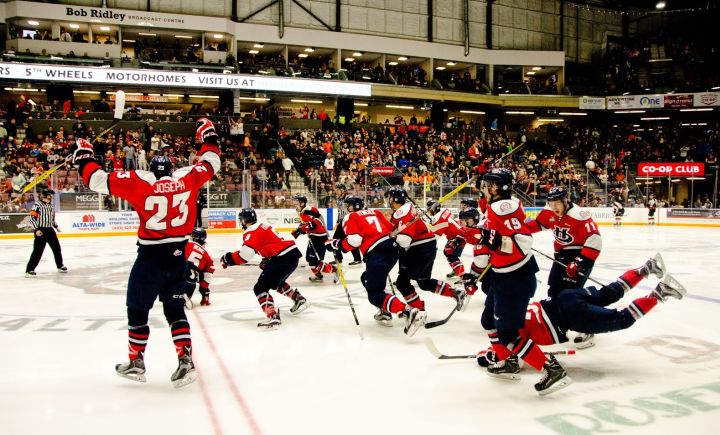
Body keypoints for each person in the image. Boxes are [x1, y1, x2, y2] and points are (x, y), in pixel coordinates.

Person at [72, 117, 222, 388]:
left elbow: (96, 180)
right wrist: (208, 136)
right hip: (179, 257)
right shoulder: (187, 179)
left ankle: (136, 361)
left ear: (151, 169)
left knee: (137, 310)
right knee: (176, 311)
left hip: (150, 260)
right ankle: (185, 361)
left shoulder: (139, 182)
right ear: (173, 168)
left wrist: (84, 155)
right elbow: (212, 162)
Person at [476, 254, 685, 395]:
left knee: (621, 319)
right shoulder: (501, 309)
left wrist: (490, 358)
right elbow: (505, 351)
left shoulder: (501, 329)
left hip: (567, 316)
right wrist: (490, 352)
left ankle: (661, 292)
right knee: (608, 294)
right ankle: (647, 268)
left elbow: (507, 358)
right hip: (563, 299)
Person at [471, 168, 569, 395]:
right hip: (502, 275)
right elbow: (494, 239)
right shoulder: (500, 206)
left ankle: (551, 369)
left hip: (514, 279)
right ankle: (508, 361)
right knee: (488, 319)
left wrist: (490, 240)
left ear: (497, 188)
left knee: (508, 333)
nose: (484, 187)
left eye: (488, 184)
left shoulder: (501, 209)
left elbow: (521, 242)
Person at [328, 195, 426, 336]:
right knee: (366, 278)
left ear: (351, 207)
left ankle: (409, 312)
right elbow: (392, 229)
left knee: (374, 294)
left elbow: (355, 240)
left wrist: (336, 245)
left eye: (346, 206)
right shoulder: (375, 212)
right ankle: (384, 310)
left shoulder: (350, 217)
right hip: (392, 250)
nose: (345, 209)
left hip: (377, 253)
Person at [526, 186, 603, 348]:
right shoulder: (549, 211)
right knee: (553, 291)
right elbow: (538, 224)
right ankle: (558, 324)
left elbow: (595, 240)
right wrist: (516, 231)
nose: (554, 207)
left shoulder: (580, 215)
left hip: (581, 255)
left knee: (571, 296)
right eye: (551, 203)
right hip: (561, 256)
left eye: (557, 203)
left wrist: (579, 261)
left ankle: (587, 329)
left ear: (565, 200)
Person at [384, 186, 468, 324]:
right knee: (423, 282)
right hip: (426, 246)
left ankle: (418, 312)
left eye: (390, 197)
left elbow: (404, 240)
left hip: (418, 248)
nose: (388, 200)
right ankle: (455, 293)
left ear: (394, 198)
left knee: (402, 283)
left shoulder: (402, 212)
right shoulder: (404, 209)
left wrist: (390, 242)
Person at [220, 208, 308, 328]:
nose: (240, 222)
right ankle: (298, 298)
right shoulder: (262, 225)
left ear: (245, 220)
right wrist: (267, 259)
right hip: (290, 255)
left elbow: (244, 256)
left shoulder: (252, 231)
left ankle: (273, 316)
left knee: (260, 288)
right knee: (276, 281)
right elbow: (271, 244)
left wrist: (228, 259)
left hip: (283, 258)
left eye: (241, 220)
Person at [290, 194, 336, 282]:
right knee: (309, 258)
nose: (294, 204)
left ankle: (335, 270)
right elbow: (308, 225)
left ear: (302, 203)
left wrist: (302, 229)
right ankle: (318, 275)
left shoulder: (308, 210)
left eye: (296, 202)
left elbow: (316, 223)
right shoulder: (302, 211)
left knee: (316, 261)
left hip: (319, 238)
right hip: (313, 237)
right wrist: (300, 230)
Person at [25, 189, 67, 277]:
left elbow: (51, 219)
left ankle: (60, 266)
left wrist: (56, 226)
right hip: (41, 230)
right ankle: (29, 270)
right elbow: (31, 218)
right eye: (51, 195)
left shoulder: (51, 206)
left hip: (50, 230)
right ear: (47, 195)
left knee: (57, 249)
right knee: (38, 251)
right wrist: (36, 229)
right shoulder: (37, 205)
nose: (53, 197)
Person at [427, 199, 467, 281]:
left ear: (434, 209)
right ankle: (456, 270)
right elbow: (444, 224)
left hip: (459, 236)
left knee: (449, 252)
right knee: (450, 253)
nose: (428, 211)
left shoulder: (438, 219)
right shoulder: (445, 211)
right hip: (460, 234)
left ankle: (462, 275)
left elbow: (436, 236)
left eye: (429, 208)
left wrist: (430, 227)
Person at [331, 183, 362, 266]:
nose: (336, 191)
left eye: (337, 190)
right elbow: (339, 212)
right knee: (337, 239)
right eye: (335, 190)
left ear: (342, 190)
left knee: (349, 239)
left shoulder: (348, 198)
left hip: (349, 221)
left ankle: (355, 259)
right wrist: (338, 221)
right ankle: (338, 259)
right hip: (342, 222)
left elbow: (357, 208)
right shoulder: (338, 199)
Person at [184, 228, 215, 308]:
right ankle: (186, 295)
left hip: (175, 273)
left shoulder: (184, 243)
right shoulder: (207, 253)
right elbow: (208, 272)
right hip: (191, 279)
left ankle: (176, 293)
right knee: (194, 276)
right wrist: (205, 292)